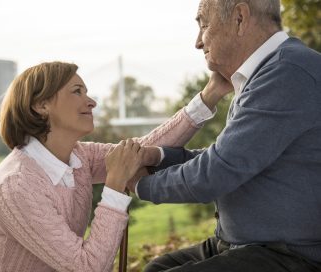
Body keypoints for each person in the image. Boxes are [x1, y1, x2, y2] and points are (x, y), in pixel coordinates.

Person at [0, 61, 231, 272]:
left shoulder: (78, 156)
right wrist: (115, 184)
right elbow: (89, 267)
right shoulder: (17, 186)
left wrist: (210, 94)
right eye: (77, 91)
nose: (91, 101)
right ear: (41, 105)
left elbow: (139, 151)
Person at [125, 0, 321, 271]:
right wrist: (158, 157)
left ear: (239, 18)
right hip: (246, 243)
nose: (197, 42)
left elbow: (217, 171)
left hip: (290, 254)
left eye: (203, 24)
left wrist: (139, 185)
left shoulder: (287, 72)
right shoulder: (268, 71)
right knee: (155, 268)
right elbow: (227, 155)